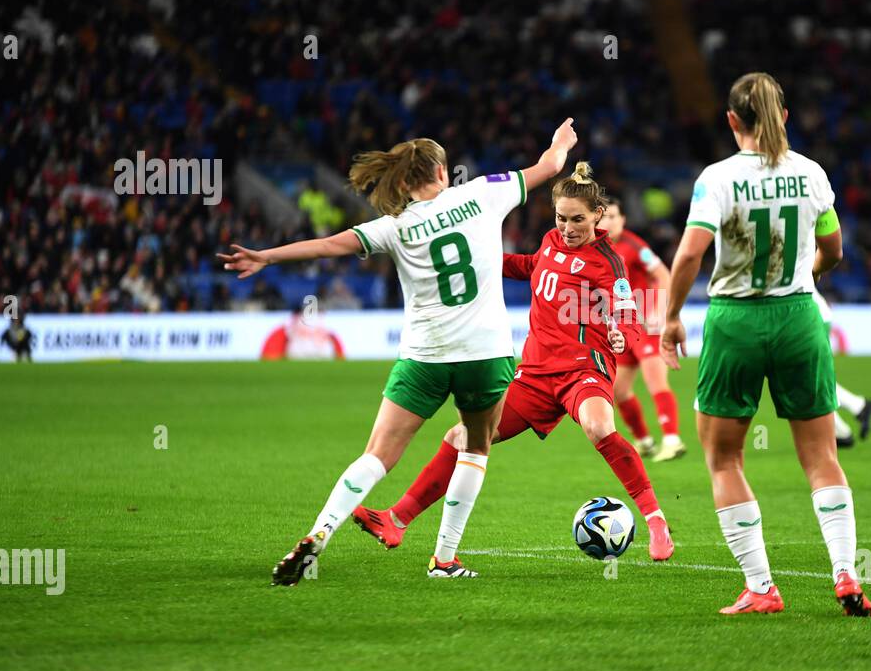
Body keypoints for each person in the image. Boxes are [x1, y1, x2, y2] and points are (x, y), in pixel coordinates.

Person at [218, 119, 579, 584]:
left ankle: (320, 534)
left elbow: (330, 244)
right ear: (445, 173)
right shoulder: (484, 194)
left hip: (425, 356)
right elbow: (549, 166)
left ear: (405, 182)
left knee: (377, 456)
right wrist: (561, 142)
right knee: (474, 448)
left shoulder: (394, 227)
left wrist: (266, 256)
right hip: (486, 354)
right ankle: (444, 559)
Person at [353, 163, 677, 561]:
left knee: (598, 426)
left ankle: (657, 522)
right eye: (561, 218)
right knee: (463, 437)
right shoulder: (551, 241)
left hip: (583, 369)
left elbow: (627, 311)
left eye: (578, 219)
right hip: (535, 374)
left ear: (597, 215)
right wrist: (490, 259)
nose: (568, 227)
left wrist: (621, 335)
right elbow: (533, 266)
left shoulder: (608, 261)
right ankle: (396, 520)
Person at [660, 71, 871, 617]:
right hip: (799, 316)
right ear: (784, 116)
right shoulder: (811, 173)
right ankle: (846, 574)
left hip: (737, 320)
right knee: (823, 456)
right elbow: (835, 250)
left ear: (733, 121)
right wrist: (810, 273)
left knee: (724, 457)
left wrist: (671, 318)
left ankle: (761, 586)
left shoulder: (718, 178)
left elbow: (688, 256)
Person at [601, 198, 686, 461]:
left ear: (623, 219)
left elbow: (663, 275)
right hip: (623, 328)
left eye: (614, 216)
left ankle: (672, 439)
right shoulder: (599, 248)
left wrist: (658, 311)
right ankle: (644, 440)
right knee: (617, 390)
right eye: (605, 216)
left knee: (655, 381)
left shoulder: (635, 246)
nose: (609, 221)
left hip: (646, 326)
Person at [811, 286, 871, 448]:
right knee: (808, 380)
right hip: (811, 313)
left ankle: (845, 424)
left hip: (809, 316)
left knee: (807, 381)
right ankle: (857, 408)